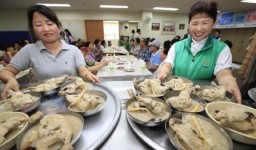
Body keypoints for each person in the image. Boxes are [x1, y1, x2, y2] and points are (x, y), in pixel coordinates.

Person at [0, 5, 99, 97]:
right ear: (33, 29)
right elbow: (6, 71)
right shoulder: (29, 50)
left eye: (49, 23)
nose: (46, 29)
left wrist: (87, 74)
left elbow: (82, 70)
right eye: (38, 25)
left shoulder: (73, 50)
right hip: (43, 101)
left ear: (58, 26)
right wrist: (11, 79)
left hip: (72, 98)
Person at [158, 1, 241, 103]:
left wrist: (230, 84)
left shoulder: (221, 48)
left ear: (213, 23)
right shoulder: (177, 46)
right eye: (195, 23)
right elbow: (168, 64)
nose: (199, 28)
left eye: (205, 23)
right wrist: (163, 72)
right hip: (174, 96)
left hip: (200, 99)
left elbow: (224, 74)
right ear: (189, 24)